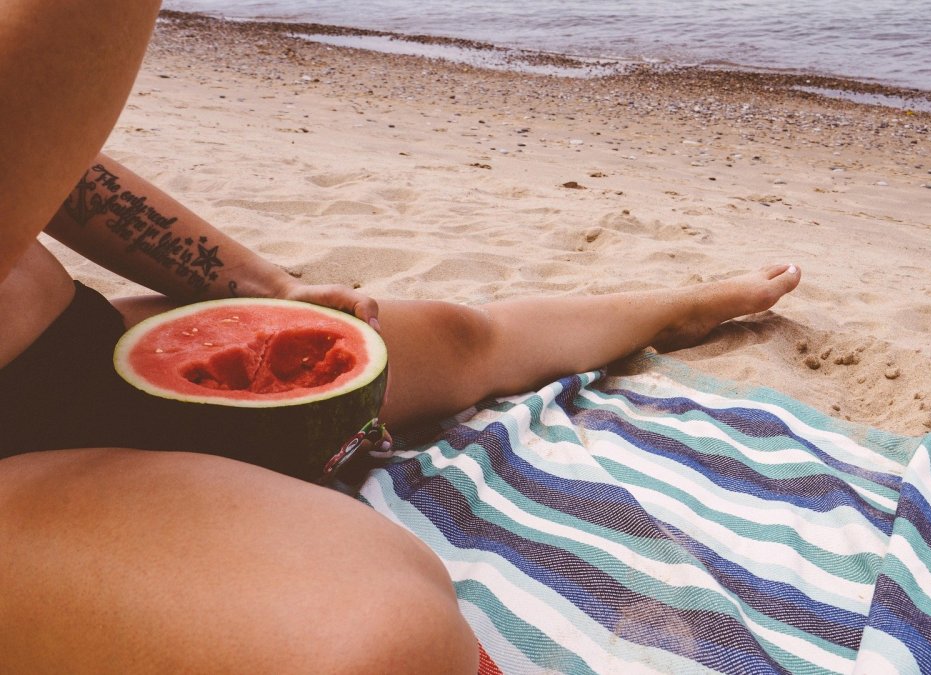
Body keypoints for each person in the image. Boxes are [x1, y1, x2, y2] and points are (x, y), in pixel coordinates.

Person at [0, 1, 801, 671]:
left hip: (66, 340)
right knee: (388, 634)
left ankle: (676, 307)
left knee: (460, 336)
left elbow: (57, 162)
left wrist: (262, 286)